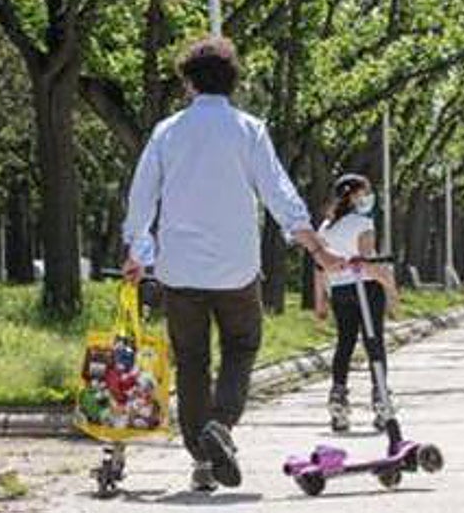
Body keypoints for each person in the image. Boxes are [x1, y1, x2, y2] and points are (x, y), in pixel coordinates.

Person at [121, 37, 344, 493]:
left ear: (188, 84)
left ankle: (202, 460)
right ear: (233, 80)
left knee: (192, 361)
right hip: (236, 268)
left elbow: (143, 196)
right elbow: (278, 193)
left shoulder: (168, 131)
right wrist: (315, 247)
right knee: (241, 347)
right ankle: (221, 425)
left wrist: (137, 253)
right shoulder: (248, 129)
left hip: (178, 268)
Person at [313, 173, 399, 433]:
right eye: (365, 192)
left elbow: (319, 268)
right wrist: (391, 290)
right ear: (353, 195)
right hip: (366, 288)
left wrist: (320, 301)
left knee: (345, 343)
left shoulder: (325, 228)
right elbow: (368, 262)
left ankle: (338, 399)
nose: (368, 198)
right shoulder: (363, 224)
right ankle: (381, 400)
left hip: (340, 290)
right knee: (374, 342)